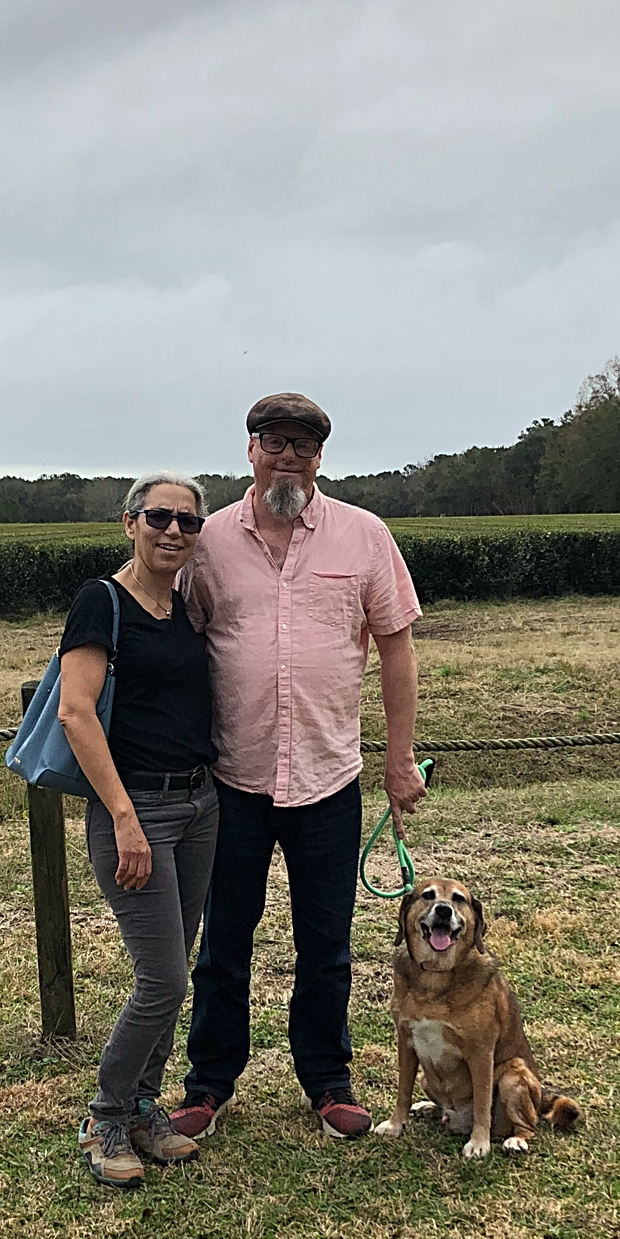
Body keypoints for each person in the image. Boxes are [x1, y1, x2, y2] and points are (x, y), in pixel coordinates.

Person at [169, 393, 427, 1142]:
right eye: (274, 443)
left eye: (303, 447)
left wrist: (399, 758)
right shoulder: (209, 542)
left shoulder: (365, 536)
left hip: (328, 778)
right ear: (250, 450)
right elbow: (181, 646)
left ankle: (327, 1080)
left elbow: (396, 647)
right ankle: (209, 1083)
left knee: (326, 945)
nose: (288, 458)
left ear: (320, 458)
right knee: (223, 942)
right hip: (233, 779)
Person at [57, 472, 219, 1188]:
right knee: (161, 979)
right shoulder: (102, 601)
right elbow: (75, 712)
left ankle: (144, 1107)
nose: (173, 531)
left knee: (174, 972)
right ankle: (105, 1117)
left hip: (199, 806)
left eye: (188, 522)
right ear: (130, 523)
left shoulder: (185, 606)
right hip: (138, 810)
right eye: (159, 517)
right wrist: (124, 817)